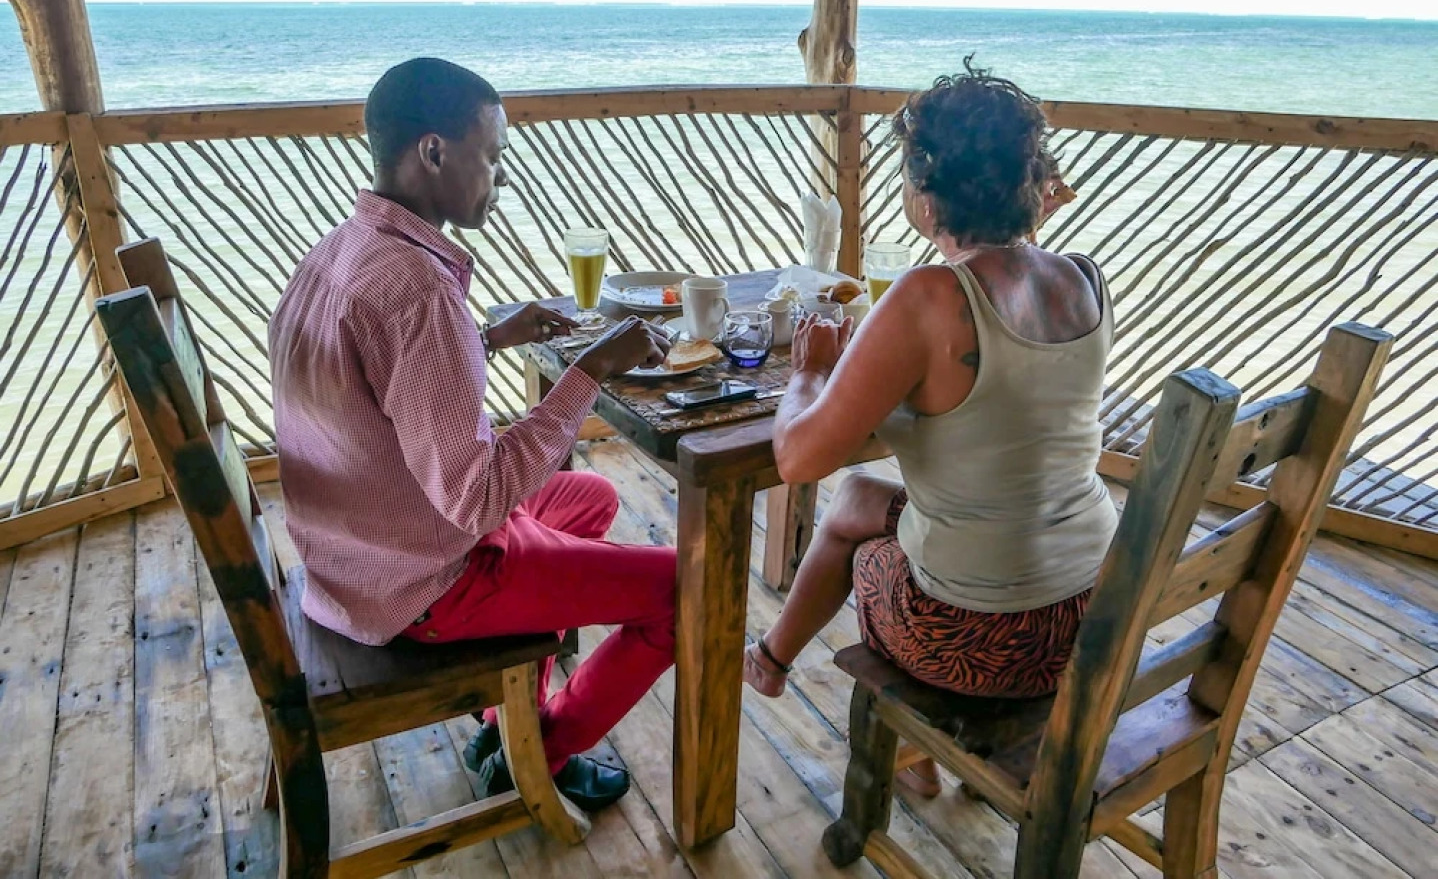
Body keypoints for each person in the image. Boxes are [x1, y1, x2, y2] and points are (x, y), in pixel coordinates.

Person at [269, 57, 676, 812]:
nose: (500, 177)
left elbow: (381, 387)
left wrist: (488, 338)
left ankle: (507, 719)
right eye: (491, 157)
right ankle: (540, 757)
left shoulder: (344, 250)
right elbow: (476, 498)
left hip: (352, 551)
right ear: (434, 152)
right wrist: (586, 373)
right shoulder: (421, 292)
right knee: (682, 588)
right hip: (419, 582)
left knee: (585, 497)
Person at [742, 60, 1117, 798]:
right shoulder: (1084, 276)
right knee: (860, 499)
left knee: (862, 545)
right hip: (1092, 608)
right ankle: (774, 661)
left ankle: (904, 745)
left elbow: (795, 458)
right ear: (1035, 183)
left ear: (922, 195)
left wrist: (812, 371)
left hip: (984, 637)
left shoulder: (929, 297)